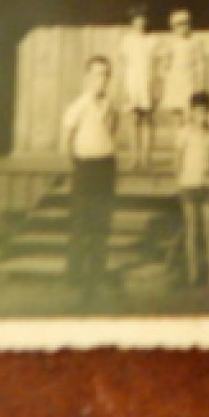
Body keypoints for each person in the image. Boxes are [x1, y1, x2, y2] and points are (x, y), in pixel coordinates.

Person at [59, 56, 120, 302]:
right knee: (81, 223)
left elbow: (111, 132)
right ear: (87, 77)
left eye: (105, 74)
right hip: (85, 168)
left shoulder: (110, 106)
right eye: (96, 74)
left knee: (102, 222)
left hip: (106, 166)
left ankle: (98, 271)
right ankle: (75, 274)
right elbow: (66, 140)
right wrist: (75, 167)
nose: (101, 79)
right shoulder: (78, 105)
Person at [174, 91, 209, 288]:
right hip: (189, 184)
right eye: (197, 111)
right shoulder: (184, 132)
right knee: (192, 231)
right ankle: (194, 273)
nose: (201, 115)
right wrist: (179, 182)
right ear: (192, 112)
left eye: (205, 111)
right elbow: (178, 159)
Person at [117, 6, 156, 169]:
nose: (140, 22)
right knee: (133, 120)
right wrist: (124, 87)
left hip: (148, 81)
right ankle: (134, 157)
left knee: (147, 119)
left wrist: (156, 86)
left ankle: (146, 158)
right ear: (132, 22)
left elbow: (159, 65)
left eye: (143, 19)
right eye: (137, 19)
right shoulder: (126, 40)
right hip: (132, 81)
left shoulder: (152, 40)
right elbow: (123, 65)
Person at [156, 8, 206, 126]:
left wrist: (201, 82)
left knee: (189, 110)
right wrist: (163, 76)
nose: (182, 28)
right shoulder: (170, 43)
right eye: (178, 26)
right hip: (174, 80)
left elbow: (200, 64)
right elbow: (164, 64)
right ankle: (179, 139)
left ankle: (189, 136)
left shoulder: (195, 42)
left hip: (189, 79)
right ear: (173, 27)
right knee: (177, 111)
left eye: (185, 25)